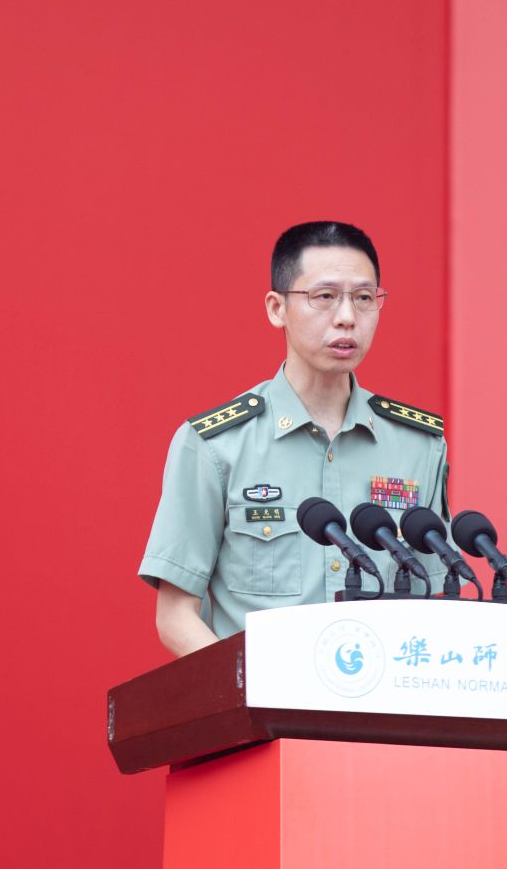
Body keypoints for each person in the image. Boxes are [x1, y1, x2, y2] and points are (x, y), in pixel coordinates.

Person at [138, 221, 449, 657]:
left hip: (381, 697)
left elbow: (435, 599)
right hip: (265, 698)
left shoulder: (419, 446)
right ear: (277, 308)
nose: (346, 317)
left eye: (364, 298)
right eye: (324, 297)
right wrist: (253, 686)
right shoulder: (214, 445)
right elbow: (175, 616)